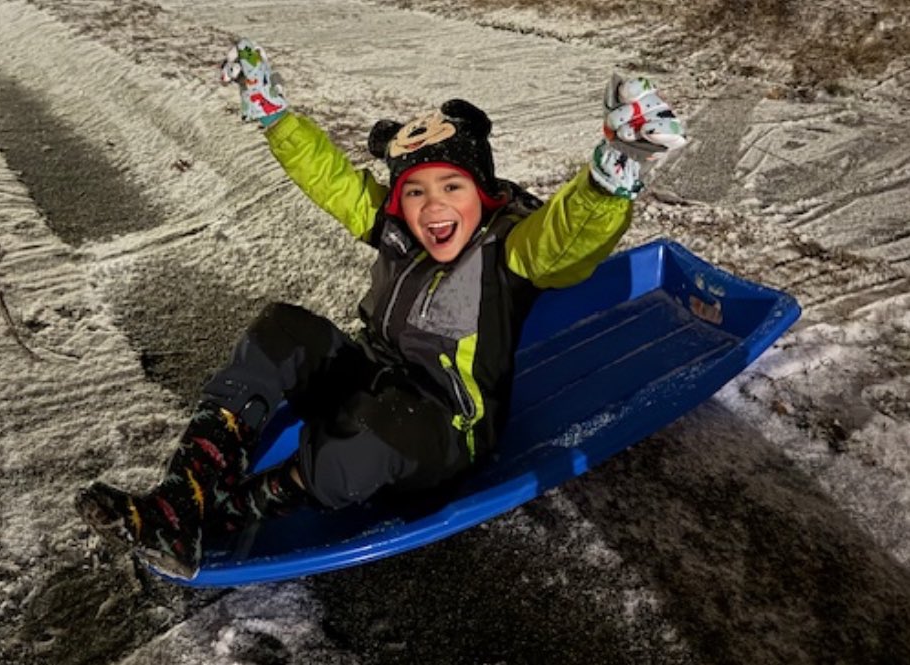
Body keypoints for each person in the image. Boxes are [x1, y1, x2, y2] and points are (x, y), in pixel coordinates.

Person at [75, 39, 688, 580]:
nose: (432, 207)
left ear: (482, 191)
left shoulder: (510, 249)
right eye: (415, 192)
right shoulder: (395, 228)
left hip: (444, 425)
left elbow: (566, 241)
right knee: (282, 328)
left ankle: (228, 513)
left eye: (452, 187)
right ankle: (181, 497)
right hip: (374, 373)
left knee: (363, 437)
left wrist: (610, 177)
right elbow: (335, 180)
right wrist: (275, 117)